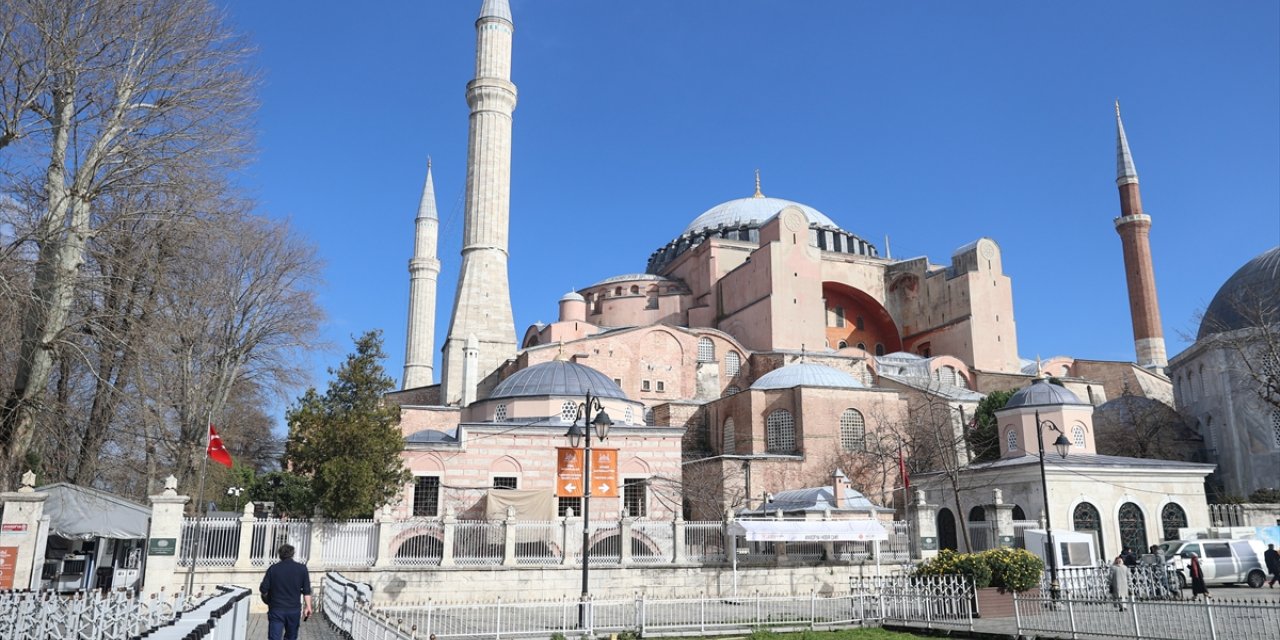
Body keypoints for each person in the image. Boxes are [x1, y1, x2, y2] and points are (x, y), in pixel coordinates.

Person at [259, 544, 313, 640]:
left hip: (276, 609)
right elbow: (306, 591)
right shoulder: (302, 569)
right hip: (294, 610)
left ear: (279, 555)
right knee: (291, 637)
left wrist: (268, 600)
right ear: (293, 554)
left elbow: (263, 589)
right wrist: (308, 607)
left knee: (274, 637)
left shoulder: (273, 569)